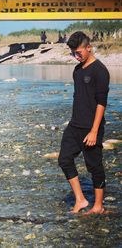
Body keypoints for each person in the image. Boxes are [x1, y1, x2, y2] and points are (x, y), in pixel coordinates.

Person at [58, 31, 110, 215]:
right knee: (64, 159)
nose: (76, 56)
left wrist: (94, 131)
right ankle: (80, 199)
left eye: (78, 52)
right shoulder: (77, 70)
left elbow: (101, 103)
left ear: (89, 47)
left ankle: (98, 206)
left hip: (91, 128)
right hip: (75, 125)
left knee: (94, 166)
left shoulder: (100, 71)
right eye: (73, 53)